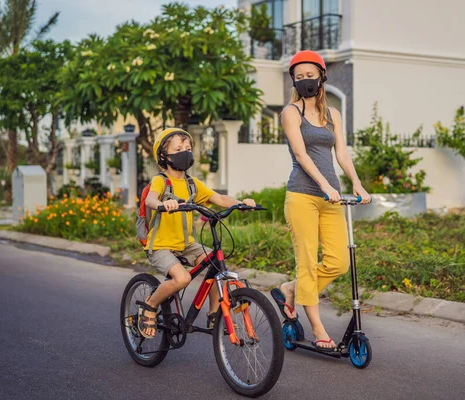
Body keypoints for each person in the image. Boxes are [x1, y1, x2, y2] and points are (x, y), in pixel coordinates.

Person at [271, 50, 371, 349]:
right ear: (294, 81)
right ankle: (317, 328)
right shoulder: (291, 112)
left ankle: (290, 290)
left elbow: (341, 153)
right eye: (299, 77)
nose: (305, 81)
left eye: (310, 75)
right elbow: (300, 154)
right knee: (307, 263)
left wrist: (357, 183)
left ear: (322, 76)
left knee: (339, 262)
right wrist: (325, 184)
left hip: (333, 198)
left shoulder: (333, 115)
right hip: (303, 195)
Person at [138, 127, 256, 339]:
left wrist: (241, 203)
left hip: (186, 243)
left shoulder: (192, 184)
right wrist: (164, 204)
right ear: (164, 156)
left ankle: (213, 315)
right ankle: (150, 304)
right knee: (182, 279)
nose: (185, 152)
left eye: (188, 148)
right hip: (161, 245)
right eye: (179, 148)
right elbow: (150, 199)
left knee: (215, 265)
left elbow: (218, 199)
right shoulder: (161, 181)